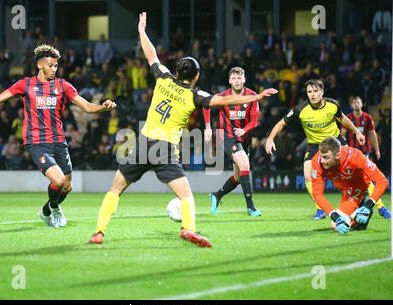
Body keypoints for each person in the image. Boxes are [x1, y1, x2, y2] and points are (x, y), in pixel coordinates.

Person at [87, 12, 278, 247]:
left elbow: (151, 55)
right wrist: (256, 96)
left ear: (176, 72)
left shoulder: (163, 78)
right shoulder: (195, 95)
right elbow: (224, 101)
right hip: (166, 150)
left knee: (115, 189)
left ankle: (99, 231)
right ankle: (188, 229)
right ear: (196, 76)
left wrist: (141, 31)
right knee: (186, 196)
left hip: (143, 143)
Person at [0, 44, 116, 228]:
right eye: (50, 65)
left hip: (59, 141)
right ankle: (55, 207)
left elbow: (88, 107)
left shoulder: (63, 86)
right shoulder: (25, 84)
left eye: (56, 66)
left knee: (67, 187)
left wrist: (102, 106)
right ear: (40, 65)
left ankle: (47, 210)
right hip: (36, 142)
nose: (54, 69)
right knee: (57, 181)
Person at [265, 79, 365, 220]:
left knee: (355, 170)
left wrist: (357, 132)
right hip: (314, 146)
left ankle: (376, 205)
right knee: (307, 175)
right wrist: (270, 139)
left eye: (315, 91)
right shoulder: (300, 109)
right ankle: (320, 210)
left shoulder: (333, 105)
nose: (312, 95)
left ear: (322, 92)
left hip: (335, 142)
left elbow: (342, 119)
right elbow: (281, 123)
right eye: (309, 92)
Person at [204, 67, 262, 216]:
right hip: (229, 137)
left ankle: (216, 195)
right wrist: (208, 127)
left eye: (239, 77)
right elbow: (206, 105)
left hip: (245, 139)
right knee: (245, 164)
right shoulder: (223, 97)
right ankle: (250, 207)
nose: (237, 80)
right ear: (229, 80)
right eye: (234, 78)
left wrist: (245, 129)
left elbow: (255, 121)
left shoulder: (252, 96)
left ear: (244, 79)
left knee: (238, 177)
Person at [311, 137, 389, 234]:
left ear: (338, 155)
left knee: (335, 226)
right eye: (321, 156)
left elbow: (382, 181)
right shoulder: (316, 162)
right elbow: (317, 194)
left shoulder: (354, 156)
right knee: (337, 221)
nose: (322, 161)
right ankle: (358, 211)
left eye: (326, 157)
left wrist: (368, 205)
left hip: (357, 185)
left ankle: (363, 207)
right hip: (342, 185)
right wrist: (334, 216)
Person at [341, 96, 390, 219]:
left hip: (365, 153)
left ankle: (380, 208)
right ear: (351, 105)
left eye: (358, 102)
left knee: (367, 179)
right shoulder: (348, 118)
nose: (356, 104)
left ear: (362, 104)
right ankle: (370, 207)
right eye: (354, 102)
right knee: (360, 181)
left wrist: (377, 150)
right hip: (352, 155)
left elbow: (373, 134)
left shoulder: (367, 117)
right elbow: (342, 134)